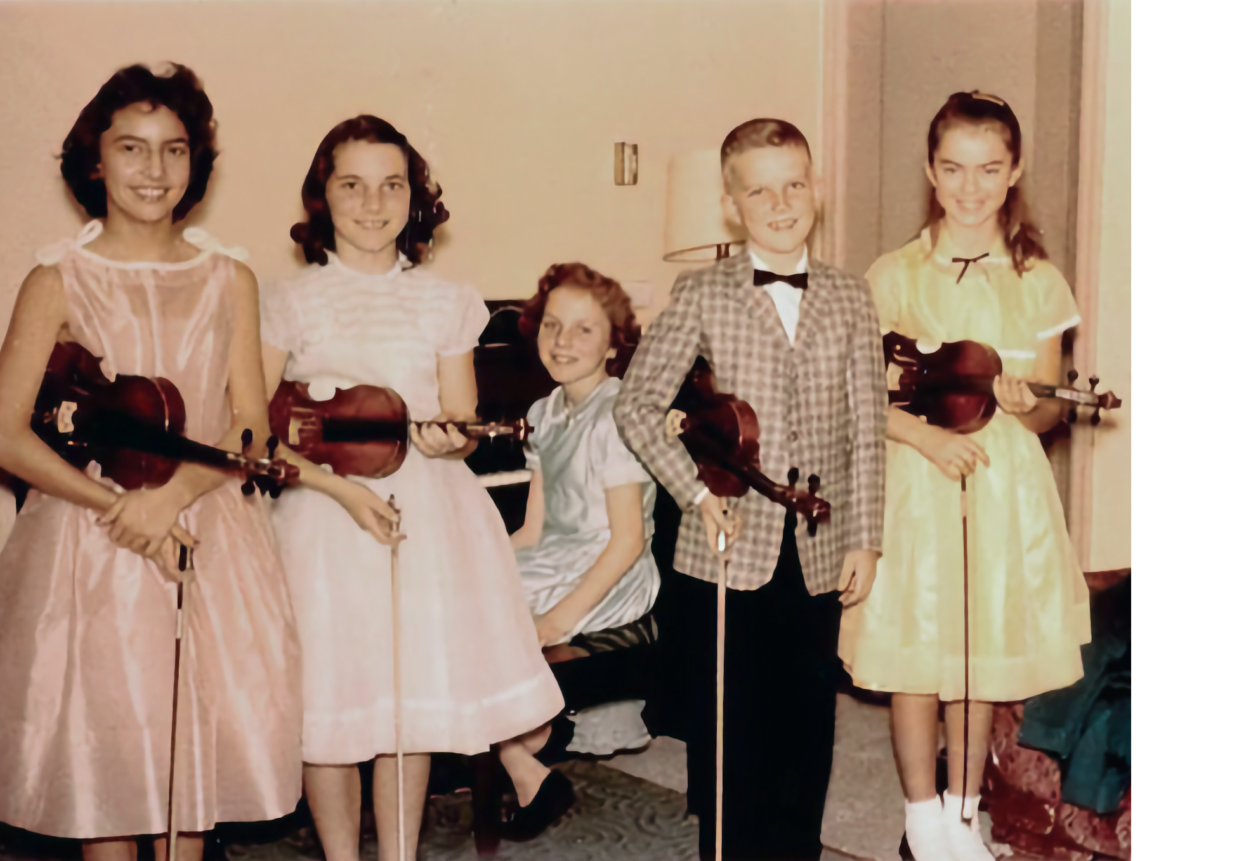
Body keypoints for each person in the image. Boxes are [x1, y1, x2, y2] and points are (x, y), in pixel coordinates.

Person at [0, 64, 302, 861]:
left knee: (191, 761)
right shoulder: (57, 278)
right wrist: (115, 507)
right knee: (109, 765)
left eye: (175, 150)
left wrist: (174, 497)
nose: (154, 171)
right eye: (132, 148)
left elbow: (250, 428)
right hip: (89, 545)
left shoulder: (231, 278)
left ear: (196, 164)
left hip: (210, 534)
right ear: (96, 161)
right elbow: (2, 435)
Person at [259, 115, 564, 861]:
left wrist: (447, 436)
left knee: (407, 699)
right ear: (322, 196)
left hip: (421, 515)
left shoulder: (446, 299)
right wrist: (334, 489)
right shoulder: (288, 299)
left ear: (414, 196)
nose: (373, 203)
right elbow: (257, 432)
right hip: (322, 517)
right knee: (330, 704)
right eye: (352, 184)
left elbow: (458, 422)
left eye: (391, 184)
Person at [613, 118, 887, 861]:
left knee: (808, 726)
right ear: (733, 203)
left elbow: (868, 422)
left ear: (816, 191)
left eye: (794, 183)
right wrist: (695, 496)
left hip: (822, 542)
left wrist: (866, 534)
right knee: (734, 731)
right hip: (730, 545)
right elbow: (636, 406)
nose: (779, 202)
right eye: (759, 189)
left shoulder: (851, 295)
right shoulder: (702, 291)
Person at [837, 91, 1091, 861]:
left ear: (1013, 172)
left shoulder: (1039, 279)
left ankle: (961, 813)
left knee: (978, 648)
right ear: (930, 170)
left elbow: (1048, 411)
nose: (970, 187)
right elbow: (864, 398)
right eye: (953, 169)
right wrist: (926, 438)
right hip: (917, 474)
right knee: (915, 648)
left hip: (1001, 481)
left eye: (988, 169)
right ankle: (920, 817)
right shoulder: (893, 274)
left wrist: (1022, 403)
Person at [494, 263, 658, 840]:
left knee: (483, 623)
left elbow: (628, 539)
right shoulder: (544, 413)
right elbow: (534, 529)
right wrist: (484, 565)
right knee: (455, 595)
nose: (562, 342)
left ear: (615, 343)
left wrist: (558, 620)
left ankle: (521, 746)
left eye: (584, 330)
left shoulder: (618, 415)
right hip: (557, 555)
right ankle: (520, 753)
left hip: (609, 569)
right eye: (552, 327)